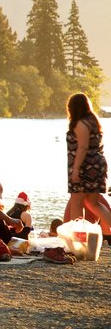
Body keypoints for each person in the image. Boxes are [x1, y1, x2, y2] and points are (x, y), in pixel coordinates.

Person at [64, 93, 111, 235]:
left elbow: (83, 147)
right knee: (93, 203)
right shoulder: (93, 121)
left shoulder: (80, 124)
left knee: (76, 201)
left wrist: (76, 169)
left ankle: (77, 236)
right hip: (97, 165)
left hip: (86, 167)